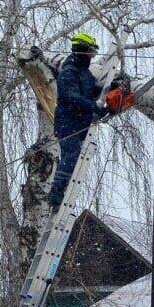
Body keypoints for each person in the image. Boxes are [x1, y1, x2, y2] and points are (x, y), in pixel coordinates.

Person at [47, 32, 107, 210]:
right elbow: (71, 96)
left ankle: (61, 189)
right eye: (90, 53)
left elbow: (94, 89)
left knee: (74, 158)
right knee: (71, 154)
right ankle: (56, 191)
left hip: (80, 123)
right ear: (81, 51)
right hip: (68, 123)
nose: (91, 57)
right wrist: (94, 107)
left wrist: (114, 87)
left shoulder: (84, 73)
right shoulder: (69, 72)